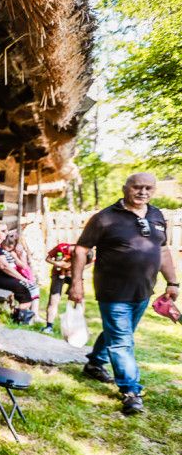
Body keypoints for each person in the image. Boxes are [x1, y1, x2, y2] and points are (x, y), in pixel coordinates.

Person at [69, 173, 179, 415]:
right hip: (112, 291)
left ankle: (95, 364)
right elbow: (80, 250)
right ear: (124, 188)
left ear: (154, 190)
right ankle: (131, 391)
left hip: (143, 290)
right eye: (136, 187)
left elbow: (163, 250)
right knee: (122, 341)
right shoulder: (104, 218)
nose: (142, 192)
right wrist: (76, 283)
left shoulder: (157, 215)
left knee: (119, 333)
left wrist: (172, 282)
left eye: (148, 188)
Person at [0, 222, 40, 324]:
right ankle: (22, 319)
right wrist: (22, 278)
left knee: (32, 286)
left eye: (6, 230)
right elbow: (4, 266)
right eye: (3, 231)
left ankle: (31, 315)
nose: (6, 233)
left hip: (3, 277)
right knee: (24, 289)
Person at [41, 242, 74, 334]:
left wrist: (75, 268)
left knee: (76, 301)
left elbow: (91, 263)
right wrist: (58, 264)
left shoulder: (83, 251)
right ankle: (49, 326)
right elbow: (48, 259)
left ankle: (74, 327)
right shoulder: (61, 248)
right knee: (53, 298)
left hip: (74, 275)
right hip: (58, 274)